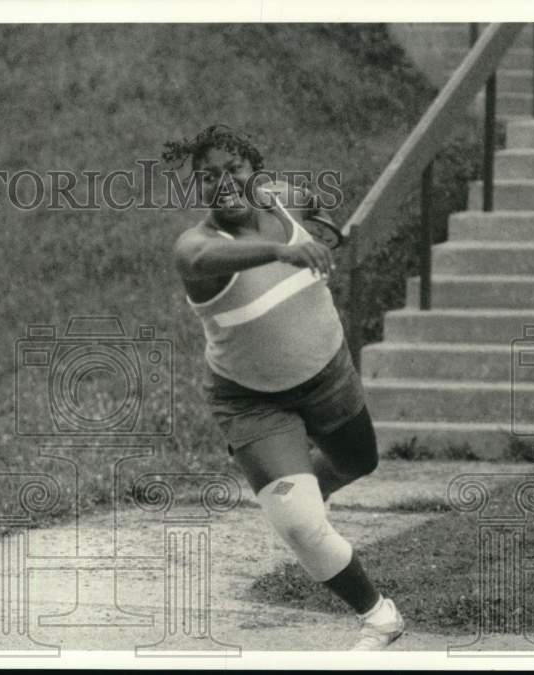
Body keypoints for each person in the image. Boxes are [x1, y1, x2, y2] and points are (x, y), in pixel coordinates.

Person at [164, 125, 405, 651]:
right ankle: (379, 616)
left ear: (256, 172)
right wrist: (281, 252)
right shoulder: (197, 248)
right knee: (299, 526)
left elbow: (314, 210)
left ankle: (300, 502)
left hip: (330, 375)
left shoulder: (283, 202)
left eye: (234, 170)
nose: (224, 183)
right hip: (251, 400)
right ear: (196, 188)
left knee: (360, 461)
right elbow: (202, 262)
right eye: (208, 177)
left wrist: (317, 224)